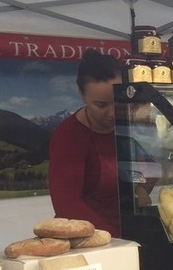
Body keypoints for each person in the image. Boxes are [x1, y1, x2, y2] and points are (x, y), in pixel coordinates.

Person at [48, 49, 122, 236]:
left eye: (119, 101)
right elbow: (67, 205)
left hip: (130, 230)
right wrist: (116, 239)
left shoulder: (132, 124)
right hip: (89, 238)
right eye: (101, 105)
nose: (113, 113)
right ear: (82, 95)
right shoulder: (69, 136)